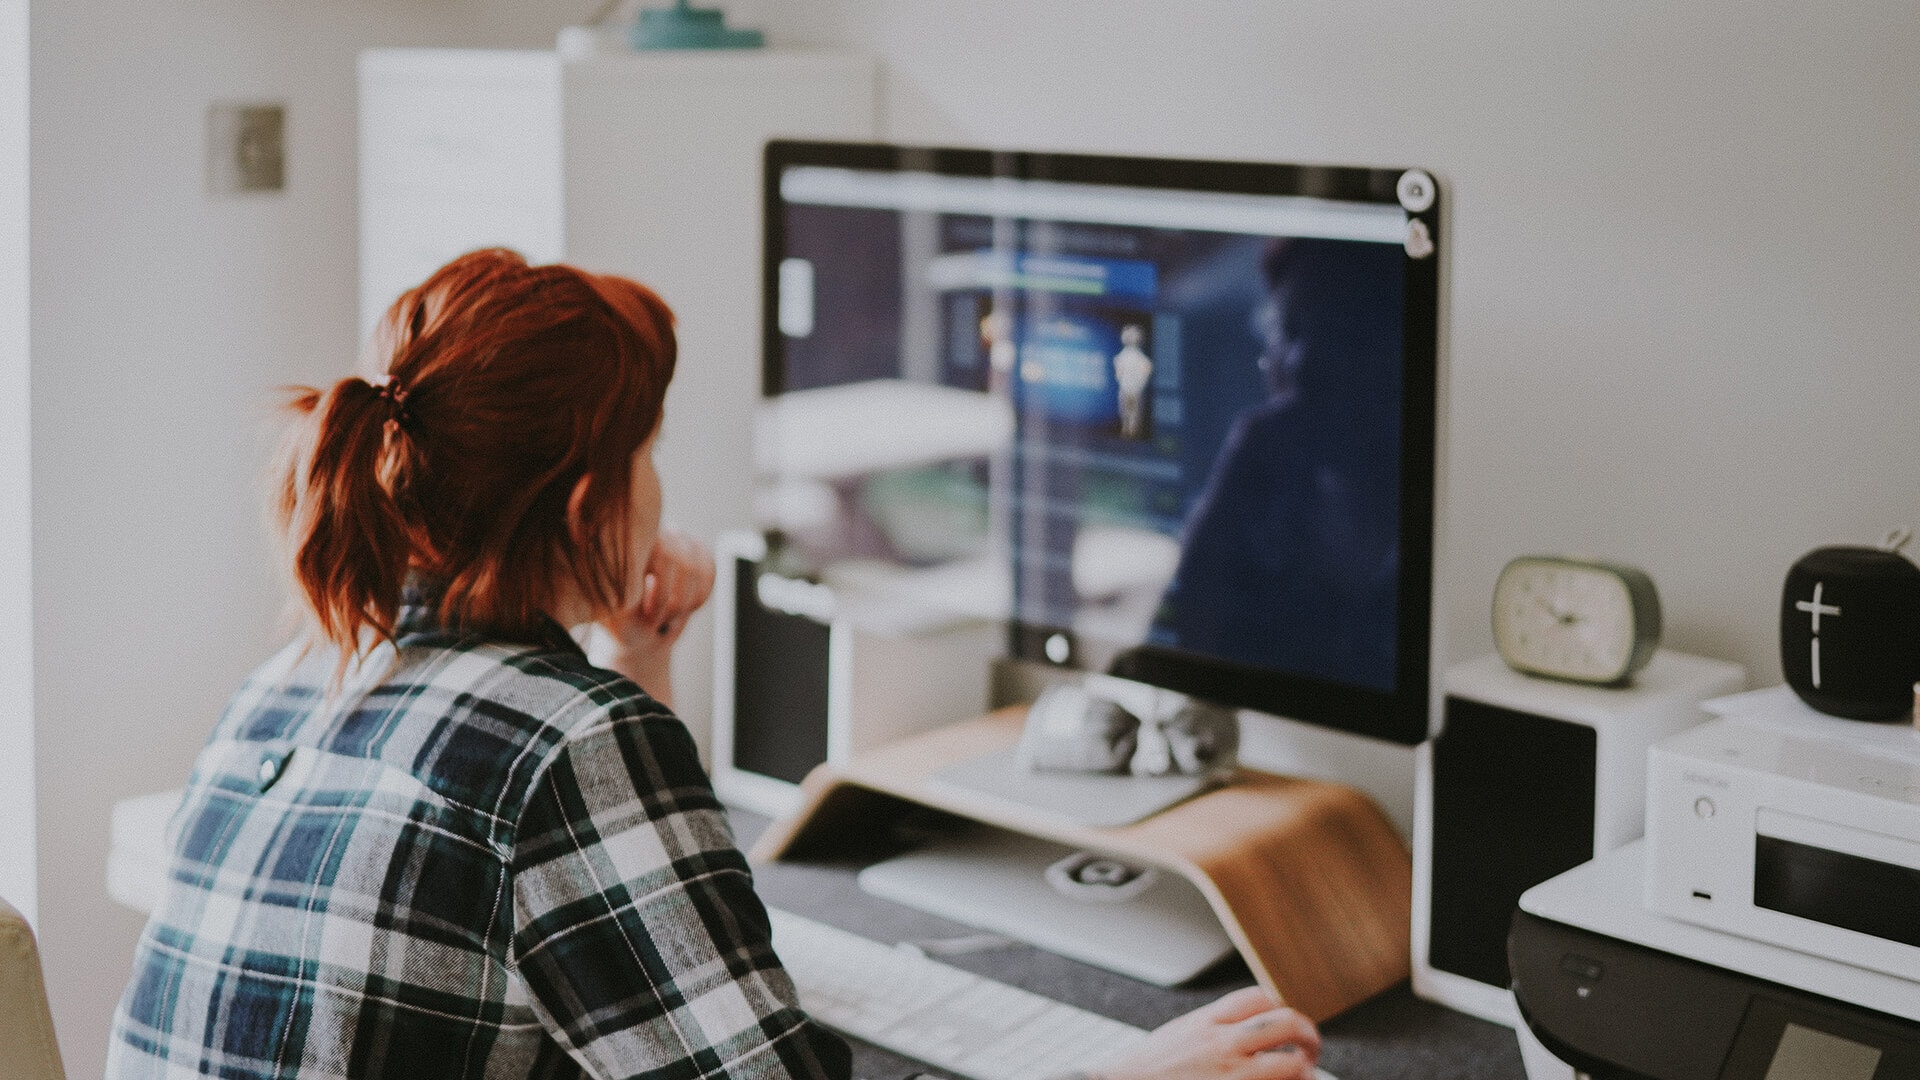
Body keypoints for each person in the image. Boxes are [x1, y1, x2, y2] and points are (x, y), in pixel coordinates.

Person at [106, 249, 1324, 1080]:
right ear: (592, 497)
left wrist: (631, 655)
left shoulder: (296, 681)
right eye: (651, 450)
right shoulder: (566, 741)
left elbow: (599, 924)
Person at [1159, 237, 1405, 692]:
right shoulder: (1266, 490)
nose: (1303, 360)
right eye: (1288, 331)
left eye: (1334, 330)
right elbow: (1177, 645)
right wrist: (1233, 491)